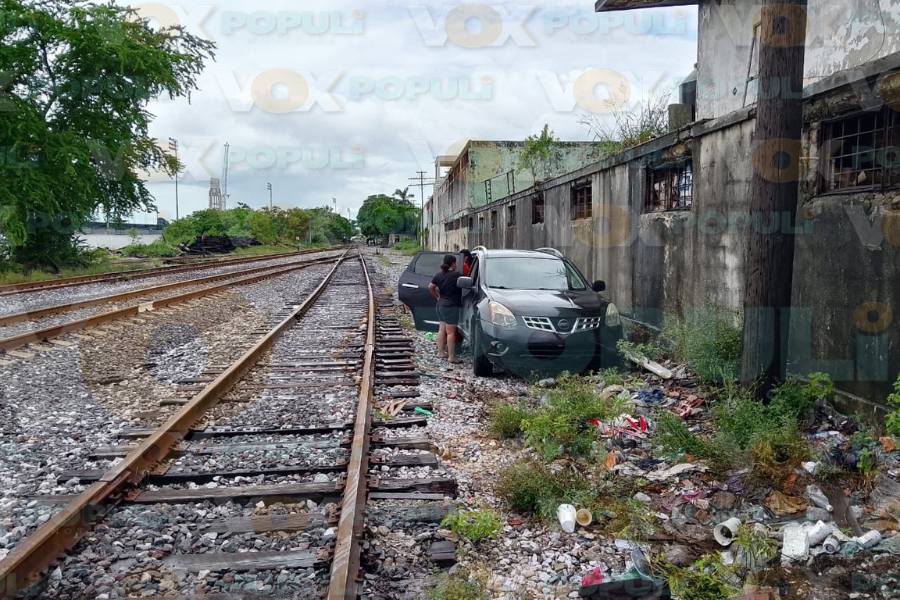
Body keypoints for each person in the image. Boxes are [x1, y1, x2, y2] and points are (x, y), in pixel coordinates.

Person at [428, 254, 463, 364]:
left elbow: (430, 287)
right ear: (453, 263)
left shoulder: (438, 275)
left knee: (442, 329)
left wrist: (437, 297)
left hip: (440, 305)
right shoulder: (457, 275)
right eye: (455, 263)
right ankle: (452, 357)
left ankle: (441, 352)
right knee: (451, 332)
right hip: (451, 306)